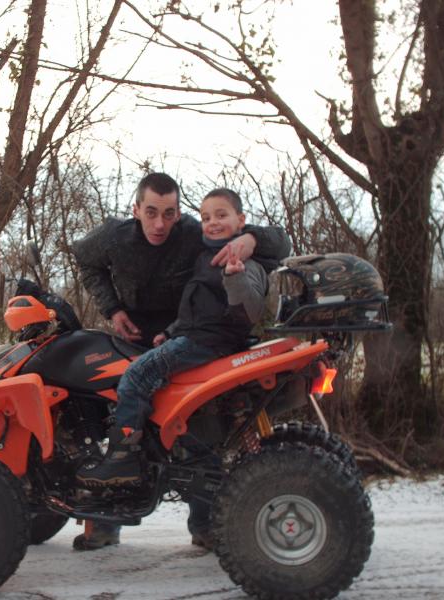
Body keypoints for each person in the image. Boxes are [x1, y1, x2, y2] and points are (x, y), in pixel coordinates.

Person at [70, 174, 290, 551]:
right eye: (151, 212)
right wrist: (113, 309)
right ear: (136, 209)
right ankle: (104, 524)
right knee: (114, 418)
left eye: (169, 213)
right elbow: (84, 260)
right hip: (141, 336)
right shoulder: (113, 236)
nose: (160, 224)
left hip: (192, 339)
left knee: (195, 430)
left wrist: (249, 239)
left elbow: (277, 244)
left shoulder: (195, 233)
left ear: (179, 213)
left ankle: (205, 525)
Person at [77, 188, 267, 488]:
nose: (213, 222)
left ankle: (122, 457)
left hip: (207, 344)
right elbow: (196, 308)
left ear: (241, 220)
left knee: (136, 376)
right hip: (187, 337)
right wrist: (169, 332)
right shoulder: (202, 253)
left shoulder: (245, 260)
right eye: (206, 217)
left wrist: (238, 270)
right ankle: (107, 518)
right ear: (136, 209)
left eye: (221, 215)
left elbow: (250, 308)